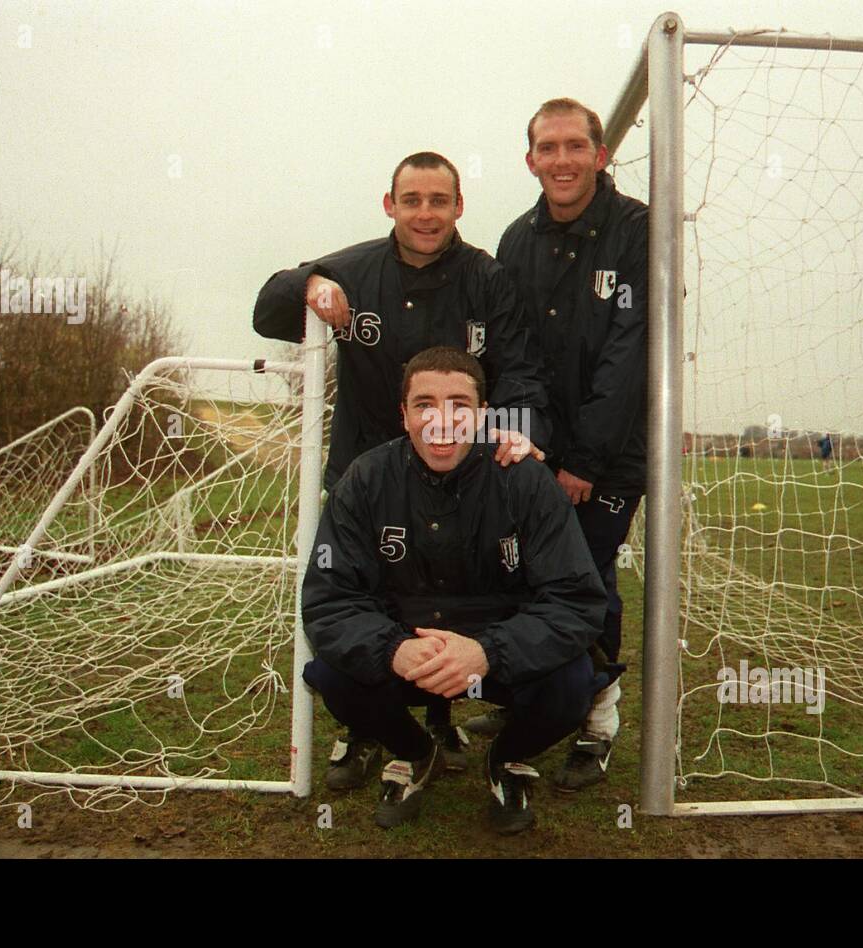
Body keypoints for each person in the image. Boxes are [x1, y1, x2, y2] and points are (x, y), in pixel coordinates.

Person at [253, 151, 551, 789]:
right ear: (389, 205)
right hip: (369, 476)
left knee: (449, 592)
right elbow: (267, 307)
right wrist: (307, 285)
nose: (425, 213)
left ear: (458, 207)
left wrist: (518, 439)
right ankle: (367, 728)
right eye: (411, 200)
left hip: (461, 475)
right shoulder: (354, 270)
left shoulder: (488, 280)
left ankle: (440, 718)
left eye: (438, 201)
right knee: (365, 599)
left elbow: (520, 370)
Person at [300, 347, 609, 834]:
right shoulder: (364, 480)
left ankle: (505, 758)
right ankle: (417, 753)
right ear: (403, 415)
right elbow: (329, 599)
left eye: (459, 405)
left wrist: (489, 651)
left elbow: (575, 598)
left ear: (483, 415)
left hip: (499, 658)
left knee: (572, 683)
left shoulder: (525, 479)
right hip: (409, 653)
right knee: (332, 673)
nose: (441, 419)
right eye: (424, 404)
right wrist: (393, 648)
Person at [476, 97, 648, 793]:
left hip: (607, 457)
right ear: (531, 161)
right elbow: (517, 358)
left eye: (575, 146)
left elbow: (628, 355)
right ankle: (532, 694)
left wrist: (584, 462)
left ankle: (598, 723)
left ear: (600, 155)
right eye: (548, 149)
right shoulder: (517, 240)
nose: (562, 160)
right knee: (523, 575)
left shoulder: (638, 229)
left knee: (589, 579)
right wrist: (526, 447)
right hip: (536, 451)